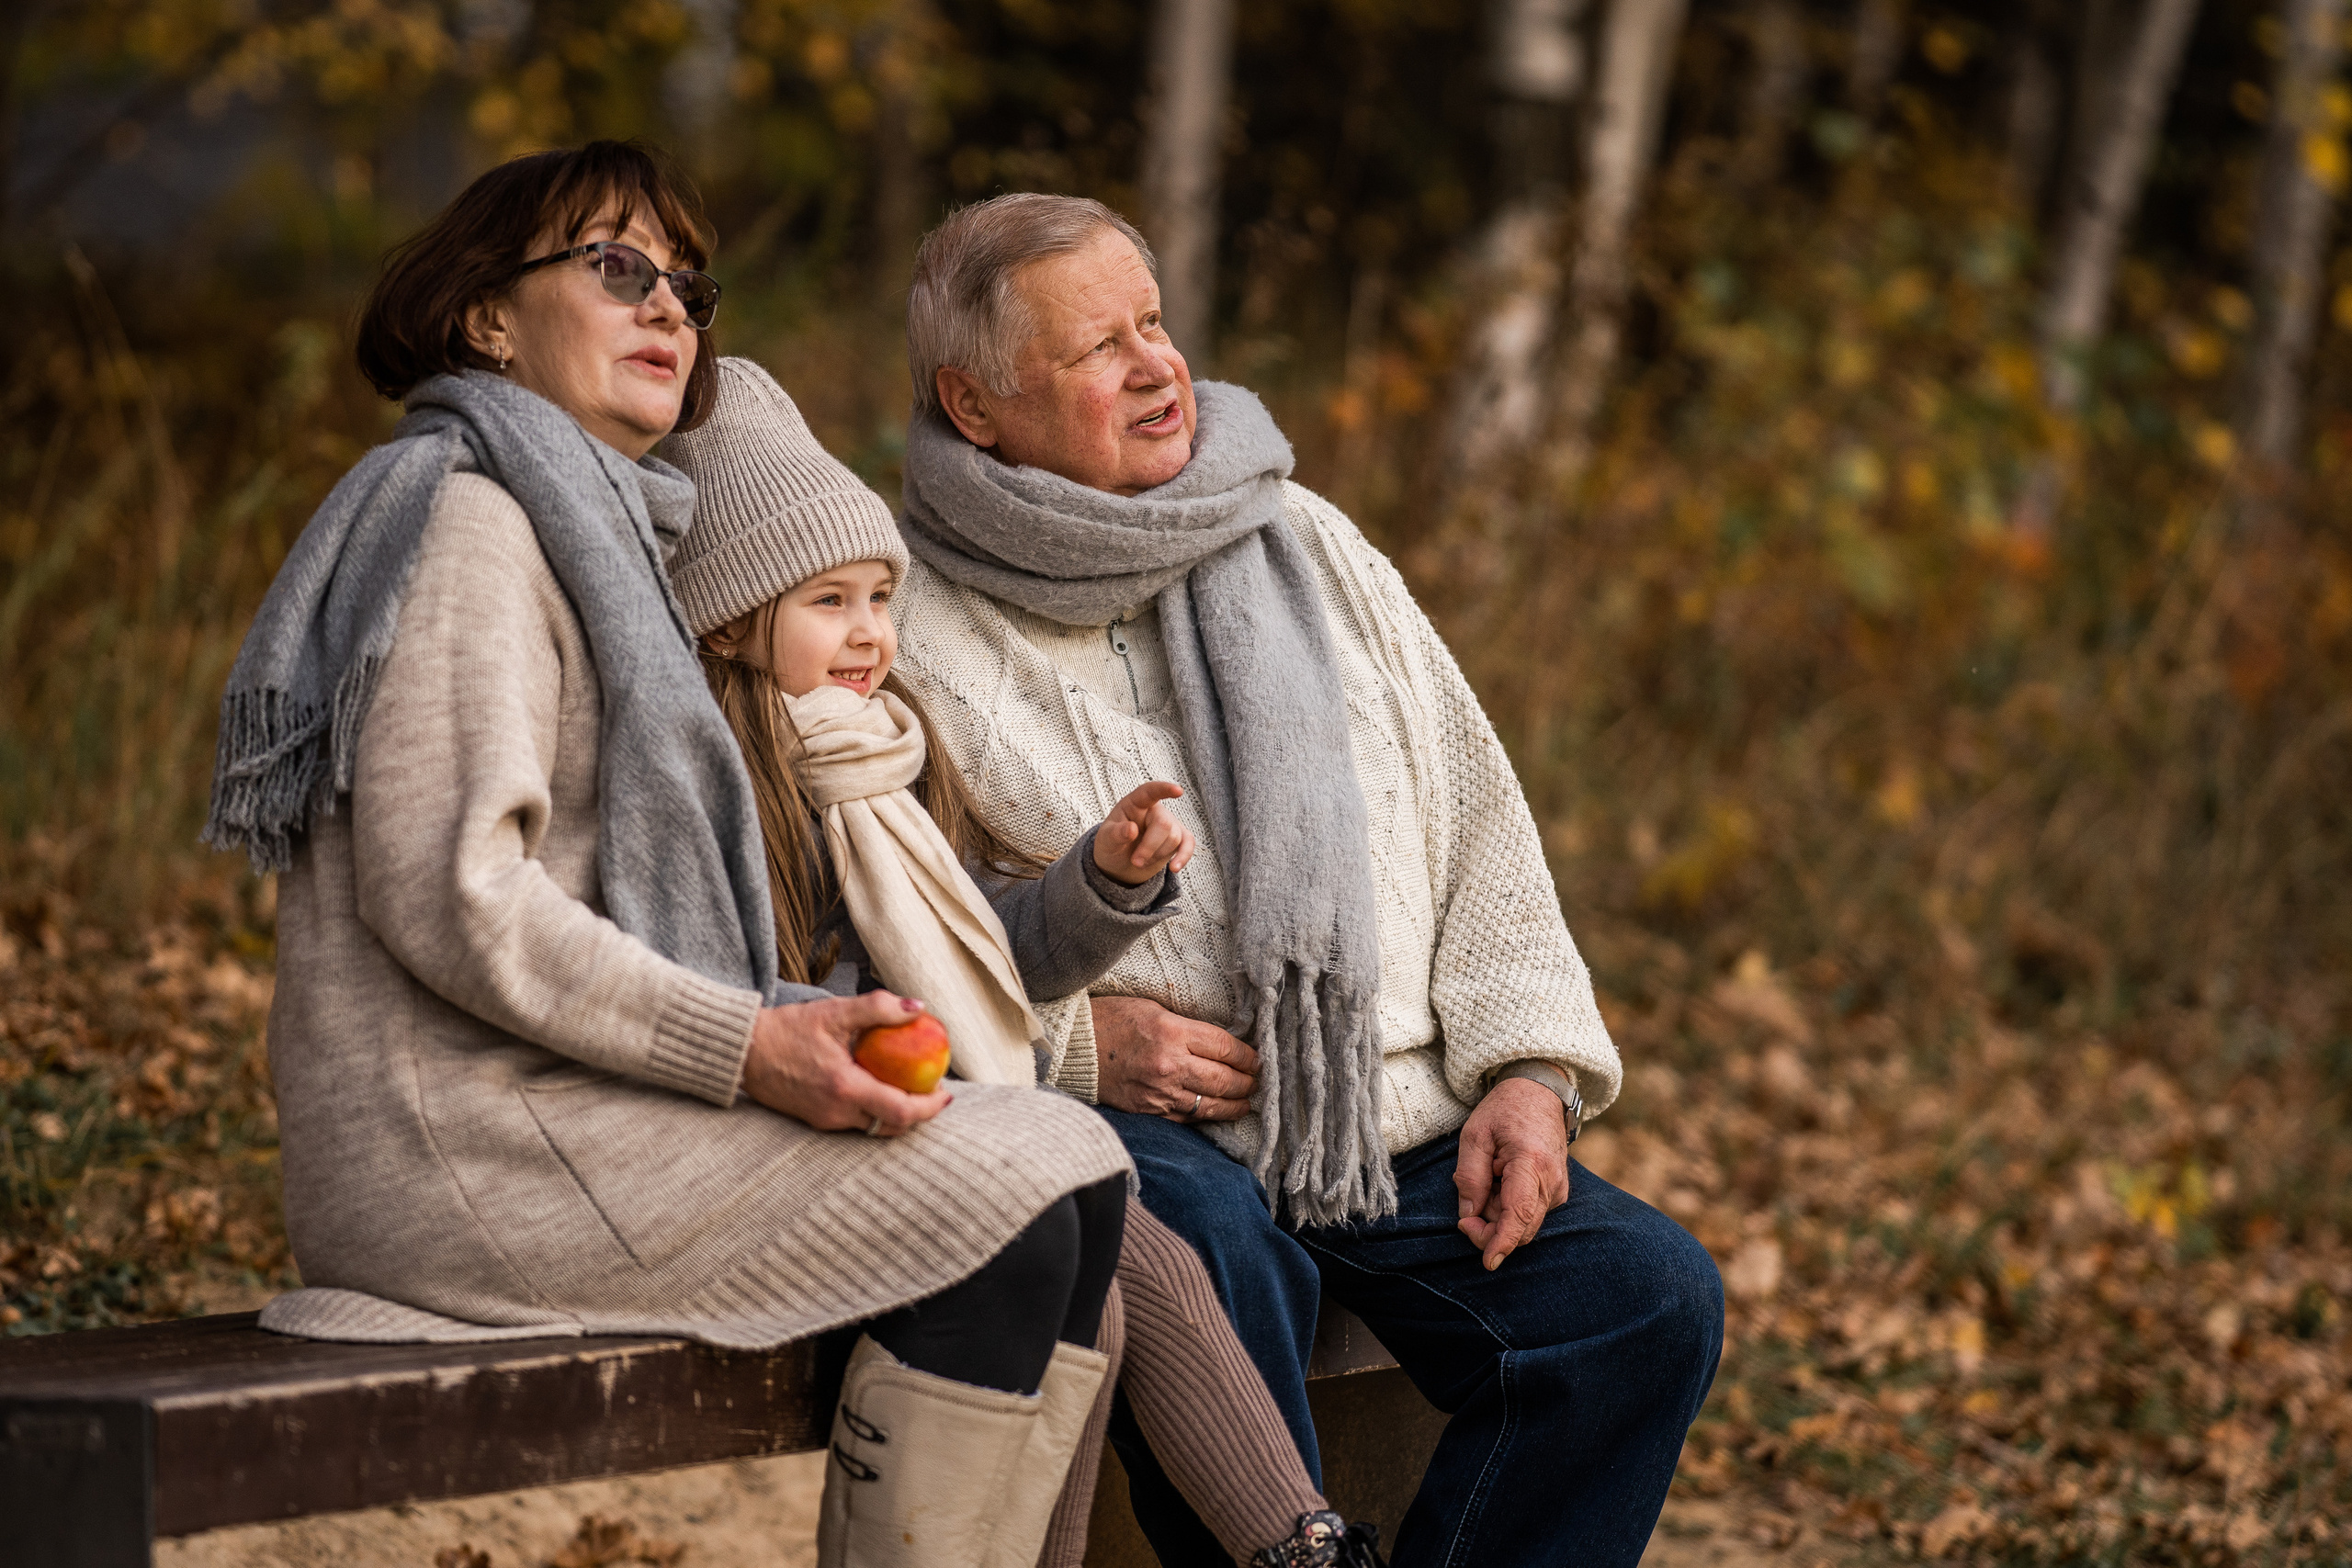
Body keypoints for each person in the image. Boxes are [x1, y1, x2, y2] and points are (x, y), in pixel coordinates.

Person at [202, 143, 1133, 1568]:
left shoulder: (595, 539)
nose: (669, 310)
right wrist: (753, 1047)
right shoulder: (468, 525)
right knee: (1021, 1186)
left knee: (1067, 1169)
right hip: (463, 1150)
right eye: (615, 269)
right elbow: (456, 894)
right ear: (485, 319)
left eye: (686, 285)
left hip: (566, 1113)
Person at [887, 192, 1728, 1568]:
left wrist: (1528, 1074)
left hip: (1378, 1120)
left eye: (1153, 322)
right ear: (973, 408)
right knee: (1211, 1248)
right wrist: (1075, 1045)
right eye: (1097, 350)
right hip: (1137, 1135)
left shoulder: (1302, 539)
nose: (1159, 365)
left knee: (1643, 1298)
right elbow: (859, 927)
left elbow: (1476, 814)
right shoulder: (899, 615)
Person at [661, 355, 1390, 1568]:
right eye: (827, 603)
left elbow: (992, 948)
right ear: (734, 620)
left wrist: (1099, 887)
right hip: (788, 1129)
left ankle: (1304, 1544)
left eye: (879, 600)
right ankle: (1296, 1546)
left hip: (919, 1114)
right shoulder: (715, 788)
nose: (867, 634)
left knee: (1096, 1247)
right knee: (1089, 1217)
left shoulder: (890, 754)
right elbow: (710, 991)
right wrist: (871, 1035)